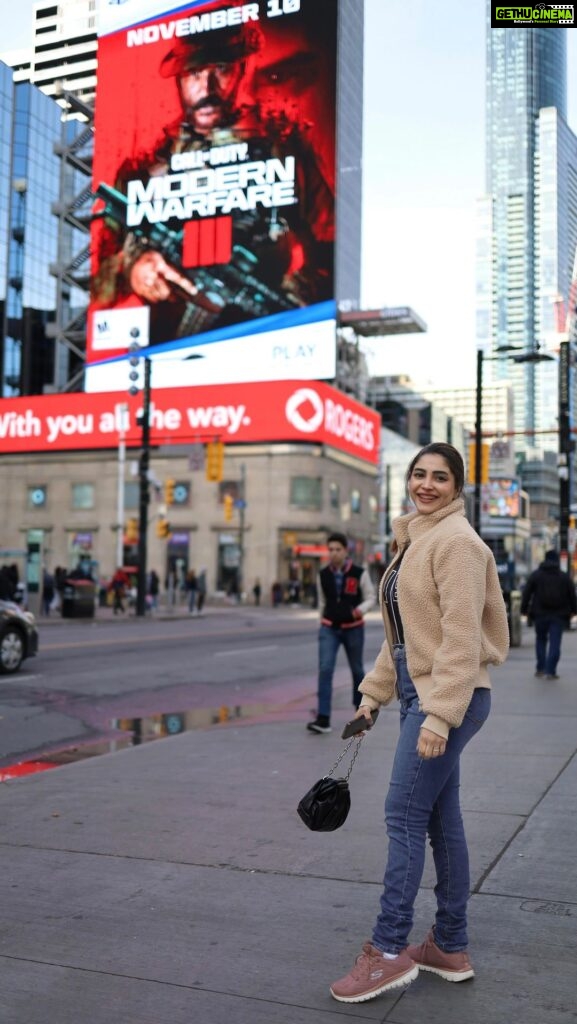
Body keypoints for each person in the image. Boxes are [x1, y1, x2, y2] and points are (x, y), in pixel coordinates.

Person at [329, 443, 510, 1005]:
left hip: (446, 697)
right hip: (421, 690)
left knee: (402, 814)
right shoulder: (419, 539)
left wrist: (439, 715)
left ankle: (386, 952)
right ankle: (447, 946)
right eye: (418, 474)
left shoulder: (456, 542)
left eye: (440, 477)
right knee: (437, 818)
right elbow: (404, 636)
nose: (426, 484)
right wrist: (373, 696)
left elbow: (458, 640)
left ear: (458, 488)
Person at [92, 12, 335, 343]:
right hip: (166, 357)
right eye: (193, 73)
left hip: (269, 339)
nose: (206, 88)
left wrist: (293, 280)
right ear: (178, 80)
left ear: (242, 69)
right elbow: (98, 281)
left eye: (220, 69)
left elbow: (331, 247)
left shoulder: (285, 149)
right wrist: (135, 269)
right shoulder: (144, 168)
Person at [307, 533, 376, 735]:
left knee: (356, 670)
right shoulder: (323, 574)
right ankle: (323, 718)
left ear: (345, 551)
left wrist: (358, 611)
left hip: (353, 628)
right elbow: (322, 601)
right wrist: (322, 620)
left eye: (338, 549)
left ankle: (360, 715)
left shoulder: (358, 572)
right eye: (331, 549)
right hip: (329, 628)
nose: (334, 553)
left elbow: (371, 597)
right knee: (325, 669)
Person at [521, 549, 576, 679]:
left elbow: (527, 593)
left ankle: (541, 668)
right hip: (559, 615)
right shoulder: (564, 576)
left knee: (540, 640)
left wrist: (524, 610)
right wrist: (574, 610)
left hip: (539, 614)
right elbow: (572, 595)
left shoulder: (536, 575)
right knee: (555, 643)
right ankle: (550, 671)